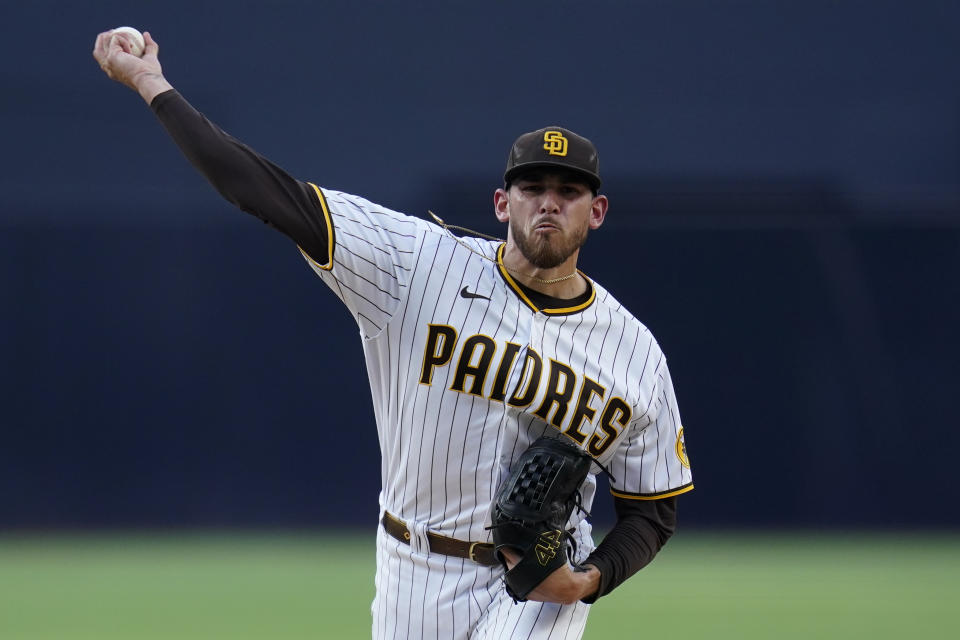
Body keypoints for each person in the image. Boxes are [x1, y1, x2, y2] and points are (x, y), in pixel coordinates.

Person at [94, 28, 694, 640]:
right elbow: (266, 192)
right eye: (532, 187)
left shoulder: (634, 352)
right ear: (499, 202)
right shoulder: (412, 264)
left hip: (540, 589)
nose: (549, 203)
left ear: (596, 212)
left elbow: (652, 513)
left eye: (568, 191)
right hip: (412, 567)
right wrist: (150, 82)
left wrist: (587, 580)